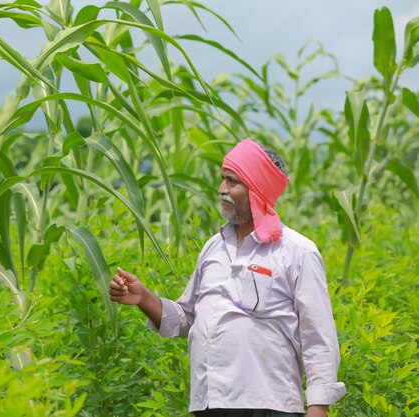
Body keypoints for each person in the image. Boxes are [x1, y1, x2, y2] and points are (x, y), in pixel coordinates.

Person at [109, 139, 346, 417]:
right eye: (222, 179)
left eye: (232, 181)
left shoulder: (296, 251)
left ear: (257, 189)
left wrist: (318, 407)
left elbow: (318, 337)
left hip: (268, 405)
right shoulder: (213, 247)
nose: (222, 189)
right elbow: (188, 319)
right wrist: (144, 298)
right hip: (209, 404)